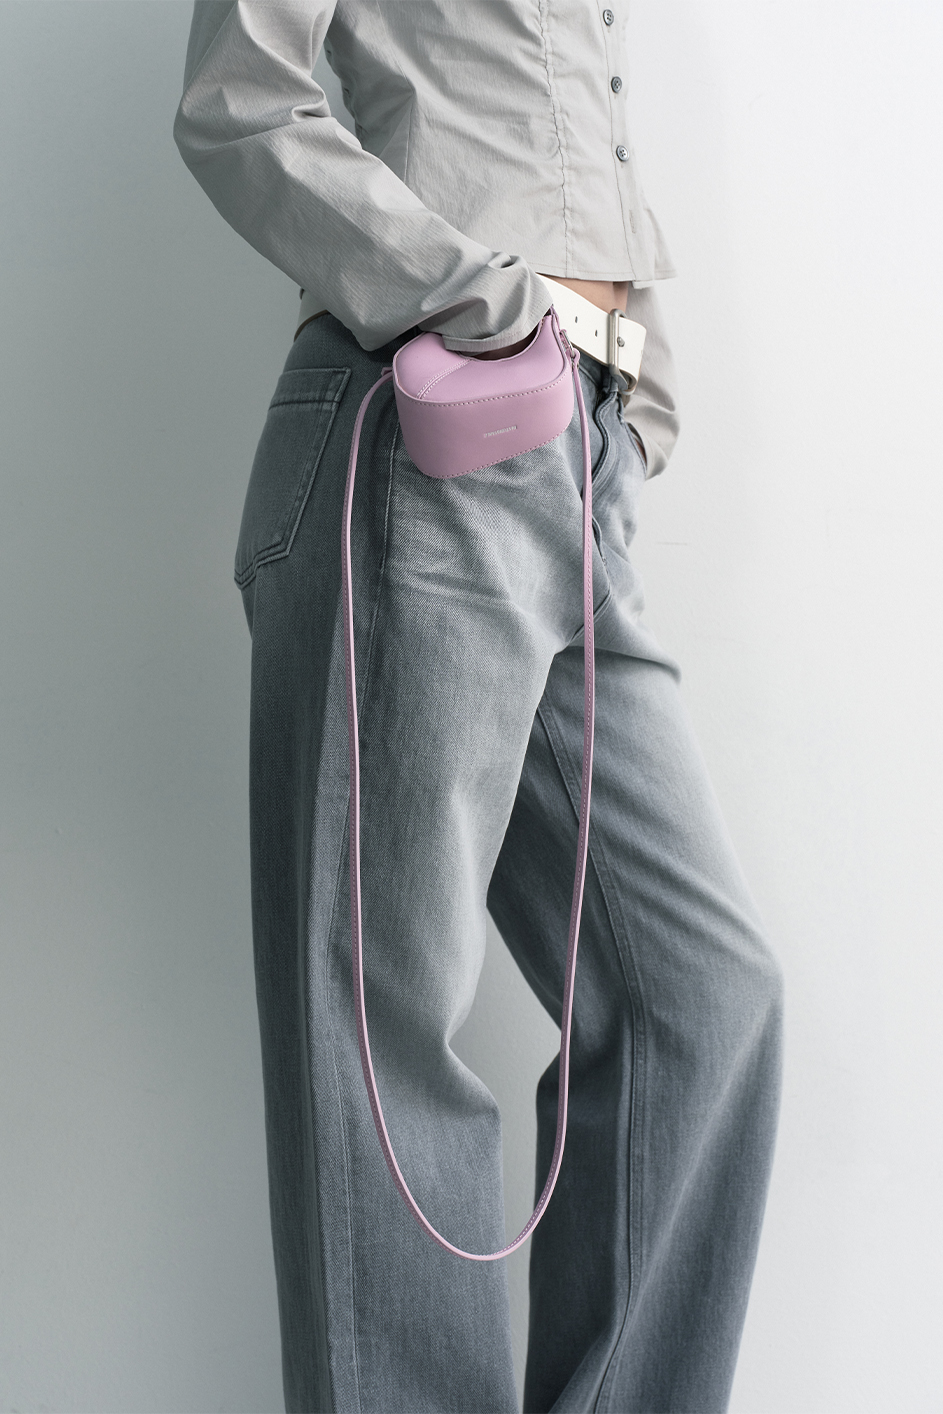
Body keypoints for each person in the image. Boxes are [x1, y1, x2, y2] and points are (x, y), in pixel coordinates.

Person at [174, 5, 783, 1411]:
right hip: (424, 423)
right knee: (382, 1021)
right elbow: (237, 100)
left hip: (578, 450)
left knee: (702, 995)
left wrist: (634, 389)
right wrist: (481, 301)